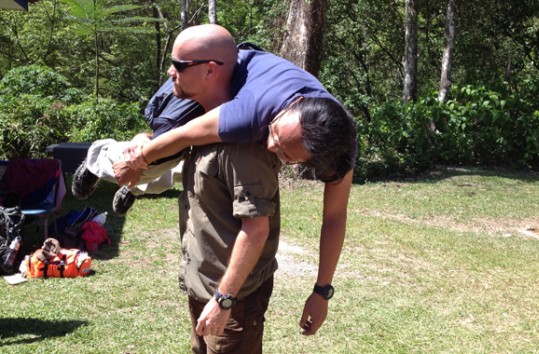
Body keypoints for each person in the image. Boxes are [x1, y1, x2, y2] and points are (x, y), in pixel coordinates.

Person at [115, 24, 357, 338]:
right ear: (289, 110)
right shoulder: (249, 115)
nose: (269, 147)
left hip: (245, 75)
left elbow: (335, 217)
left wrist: (321, 291)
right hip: (219, 64)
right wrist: (140, 160)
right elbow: (185, 134)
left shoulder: (340, 143)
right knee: (166, 126)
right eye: (274, 135)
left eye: (284, 153)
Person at [181, 140, 281, 353]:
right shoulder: (196, 132)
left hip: (233, 298)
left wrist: (223, 300)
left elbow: (256, 229)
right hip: (202, 282)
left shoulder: (243, 145)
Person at [71, 78, 204, 216]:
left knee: (177, 173)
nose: (170, 70)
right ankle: (98, 158)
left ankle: (132, 188)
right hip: (179, 125)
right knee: (156, 164)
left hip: (196, 143)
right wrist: (140, 159)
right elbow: (172, 131)